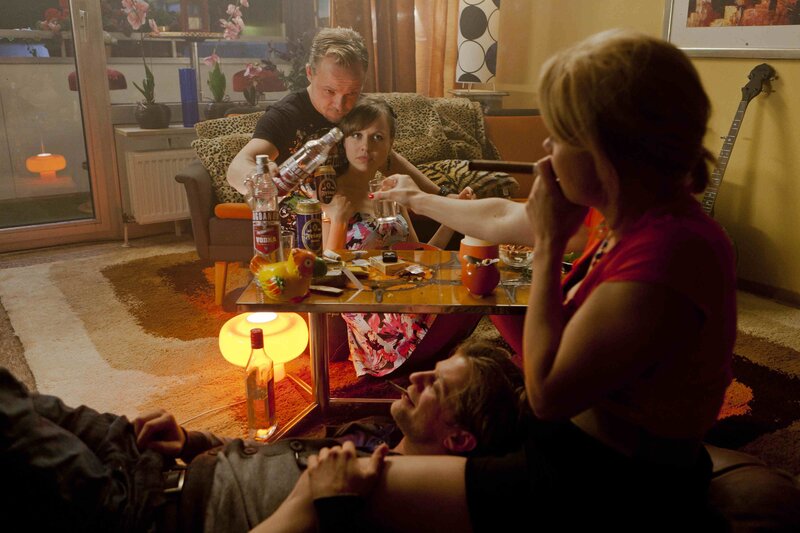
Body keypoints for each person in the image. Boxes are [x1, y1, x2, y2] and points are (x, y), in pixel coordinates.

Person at [257, 29, 738, 532]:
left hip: (605, 482)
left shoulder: (670, 251)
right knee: (362, 451)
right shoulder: (627, 212)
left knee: (335, 489)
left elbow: (547, 393)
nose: (547, 149)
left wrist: (548, 243)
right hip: (567, 445)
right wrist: (418, 199)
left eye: (561, 136)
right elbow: (502, 216)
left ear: (612, 149)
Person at [0, 340, 527, 531]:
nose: (416, 376)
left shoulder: (391, 504)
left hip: (134, 514)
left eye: (438, 386)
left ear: (459, 441)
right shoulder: (374, 435)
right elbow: (270, 460)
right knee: (23, 398)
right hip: (151, 461)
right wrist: (194, 441)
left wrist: (311, 502)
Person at [324, 96, 480, 377]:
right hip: (373, 314)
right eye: (356, 135)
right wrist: (338, 220)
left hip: (411, 294)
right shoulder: (330, 195)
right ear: (343, 141)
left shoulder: (391, 192)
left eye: (377, 137)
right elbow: (326, 274)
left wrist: (456, 213)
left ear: (390, 146)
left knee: (477, 282)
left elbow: (421, 253)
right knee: (460, 299)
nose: (365, 146)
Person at [226, 27, 444, 199]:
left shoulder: (362, 109)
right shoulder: (285, 115)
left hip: (353, 220)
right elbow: (238, 166)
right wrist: (255, 177)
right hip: (300, 226)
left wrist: (441, 195)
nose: (340, 105)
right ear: (310, 73)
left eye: (352, 92)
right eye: (329, 91)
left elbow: (388, 160)